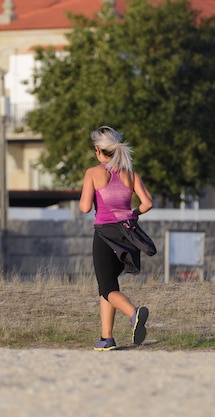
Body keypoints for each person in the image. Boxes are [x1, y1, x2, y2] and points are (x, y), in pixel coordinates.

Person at [79, 126, 156, 351]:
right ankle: (106, 338)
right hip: (127, 234)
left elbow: (84, 207)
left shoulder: (93, 173)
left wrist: (91, 197)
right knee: (109, 286)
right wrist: (134, 213)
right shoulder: (130, 174)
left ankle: (134, 314)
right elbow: (148, 202)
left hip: (105, 234)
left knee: (106, 287)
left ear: (98, 150)